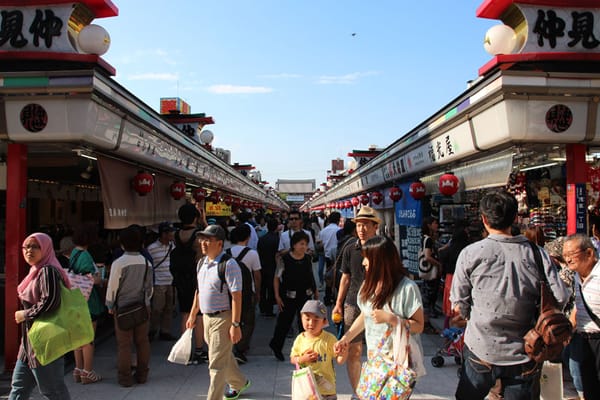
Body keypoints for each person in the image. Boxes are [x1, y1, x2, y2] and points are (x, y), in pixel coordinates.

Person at [450, 191, 569, 400]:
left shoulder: (471, 253)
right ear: (515, 218)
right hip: (526, 349)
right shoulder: (537, 253)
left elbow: (459, 306)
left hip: (481, 347)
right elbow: (560, 296)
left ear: (484, 219)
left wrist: (473, 315)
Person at [334, 235, 424, 395]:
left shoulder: (407, 288)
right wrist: (345, 338)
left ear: (381, 261)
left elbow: (419, 325)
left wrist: (392, 319)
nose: (363, 263)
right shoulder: (368, 285)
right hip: (376, 361)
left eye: (367, 258)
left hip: (399, 363)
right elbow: (366, 315)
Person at [186, 224, 251, 400]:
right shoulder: (202, 263)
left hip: (223, 317)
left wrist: (235, 324)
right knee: (222, 354)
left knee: (215, 363)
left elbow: (237, 296)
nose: (204, 243)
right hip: (207, 317)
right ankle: (239, 382)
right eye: (202, 239)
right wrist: (193, 313)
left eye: (209, 240)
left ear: (220, 244)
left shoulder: (229, 265)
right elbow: (199, 291)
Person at [9, 233, 72, 400]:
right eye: (26, 246)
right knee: (19, 389)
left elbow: (51, 302)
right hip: (30, 344)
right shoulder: (35, 272)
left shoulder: (47, 271)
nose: (29, 250)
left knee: (53, 391)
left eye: (35, 246)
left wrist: (25, 314)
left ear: (46, 249)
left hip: (46, 343)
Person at [331, 205, 380, 398]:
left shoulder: (383, 249)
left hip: (378, 304)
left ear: (375, 226)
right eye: (358, 224)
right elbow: (345, 277)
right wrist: (338, 302)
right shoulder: (350, 248)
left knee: (378, 350)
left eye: (366, 224)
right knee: (354, 350)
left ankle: (374, 389)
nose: (361, 229)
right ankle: (358, 392)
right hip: (353, 302)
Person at [105, 225, 153, 387]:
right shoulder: (146, 262)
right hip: (141, 306)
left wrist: (110, 304)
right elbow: (149, 288)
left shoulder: (119, 263)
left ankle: (125, 378)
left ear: (122, 244)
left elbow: (112, 286)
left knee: (124, 344)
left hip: (123, 307)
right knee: (142, 341)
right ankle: (142, 374)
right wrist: (146, 302)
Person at [269, 230, 318, 361]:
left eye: (305, 244)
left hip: (305, 295)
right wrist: (277, 296)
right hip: (288, 296)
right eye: (301, 244)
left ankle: (305, 350)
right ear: (294, 245)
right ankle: (276, 346)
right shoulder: (284, 260)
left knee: (305, 324)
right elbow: (276, 278)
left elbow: (310, 275)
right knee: (284, 323)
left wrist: (316, 291)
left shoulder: (308, 258)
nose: (304, 247)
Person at [563, 233, 600, 400]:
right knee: (589, 388)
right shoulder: (577, 277)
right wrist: (570, 328)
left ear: (589, 253)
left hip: (598, 339)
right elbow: (579, 308)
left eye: (572, 254)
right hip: (584, 340)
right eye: (565, 256)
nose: (568, 259)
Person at [170, 203, 207, 362]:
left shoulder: (175, 235)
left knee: (185, 312)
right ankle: (199, 351)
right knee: (198, 314)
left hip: (180, 278)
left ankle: (186, 349)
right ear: (195, 217)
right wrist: (204, 222)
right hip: (196, 278)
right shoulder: (199, 236)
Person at [69, 223, 104, 384]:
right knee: (88, 339)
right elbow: (93, 280)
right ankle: (87, 372)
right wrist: (101, 278)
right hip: (88, 302)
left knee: (77, 338)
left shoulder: (74, 253)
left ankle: (78, 369)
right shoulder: (85, 256)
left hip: (75, 300)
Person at [290, 300, 347, 400]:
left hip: (327, 391)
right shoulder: (300, 339)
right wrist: (302, 359)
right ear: (301, 318)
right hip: (307, 391)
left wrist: (344, 352)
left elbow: (340, 360)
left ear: (324, 322)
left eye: (316, 320)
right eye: (307, 319)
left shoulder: (329, 339)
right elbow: (293, 359)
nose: (311, 323)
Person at [228, 224, 262, 364]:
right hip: (248, 291)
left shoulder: (226, 252)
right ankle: (241, 349)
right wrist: (258, 292)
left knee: (232, 318)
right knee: (248, 321)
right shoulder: (252, 254)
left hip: (230, 292)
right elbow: (257, 275)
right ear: (248, 238)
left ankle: (231, 346)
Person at [147, 222, 176, 341]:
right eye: (170, 232)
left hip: (171, 281)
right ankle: (152, 330)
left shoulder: (173, 246)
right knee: (157, 308)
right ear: (164, 234)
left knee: (169, 307)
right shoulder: (152, 248)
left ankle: (165, 331)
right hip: (158, 282)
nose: (172, 234)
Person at [438, 223, 469, 330]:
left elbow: (441, 255)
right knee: (461, 308)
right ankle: (458, 338)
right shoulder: (467, 251)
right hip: (463, 280)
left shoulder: (449, 250)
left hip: (450, 279)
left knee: (450, 310)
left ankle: (447, 334)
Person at [420, 216, 443, 325]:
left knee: (429, 291)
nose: (437, 225)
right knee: (430, 291)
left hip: (428, 269)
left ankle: (429, 313)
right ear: (429, 225)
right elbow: (428, 256)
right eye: (435, 223)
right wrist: (438, 264)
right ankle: (428, 314)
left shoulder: (426, 238)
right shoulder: (428, 239)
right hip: (430, 269)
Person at [257, 218, 280, 317]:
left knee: (263, 288)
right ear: (276, 227)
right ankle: (269, 310)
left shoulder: (261, 239)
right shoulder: (277, 239)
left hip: (262, 265)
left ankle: (262, 307)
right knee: (271, 288)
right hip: (273, 266)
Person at [320, 211, 341, 305]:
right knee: (338, 278)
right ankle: (337, 296)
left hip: (328, 257)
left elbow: (320, 244)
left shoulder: (323, 231)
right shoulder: (339, 230)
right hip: (338, 257)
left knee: (329, 278)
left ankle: (327, 298)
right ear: (338, 220)